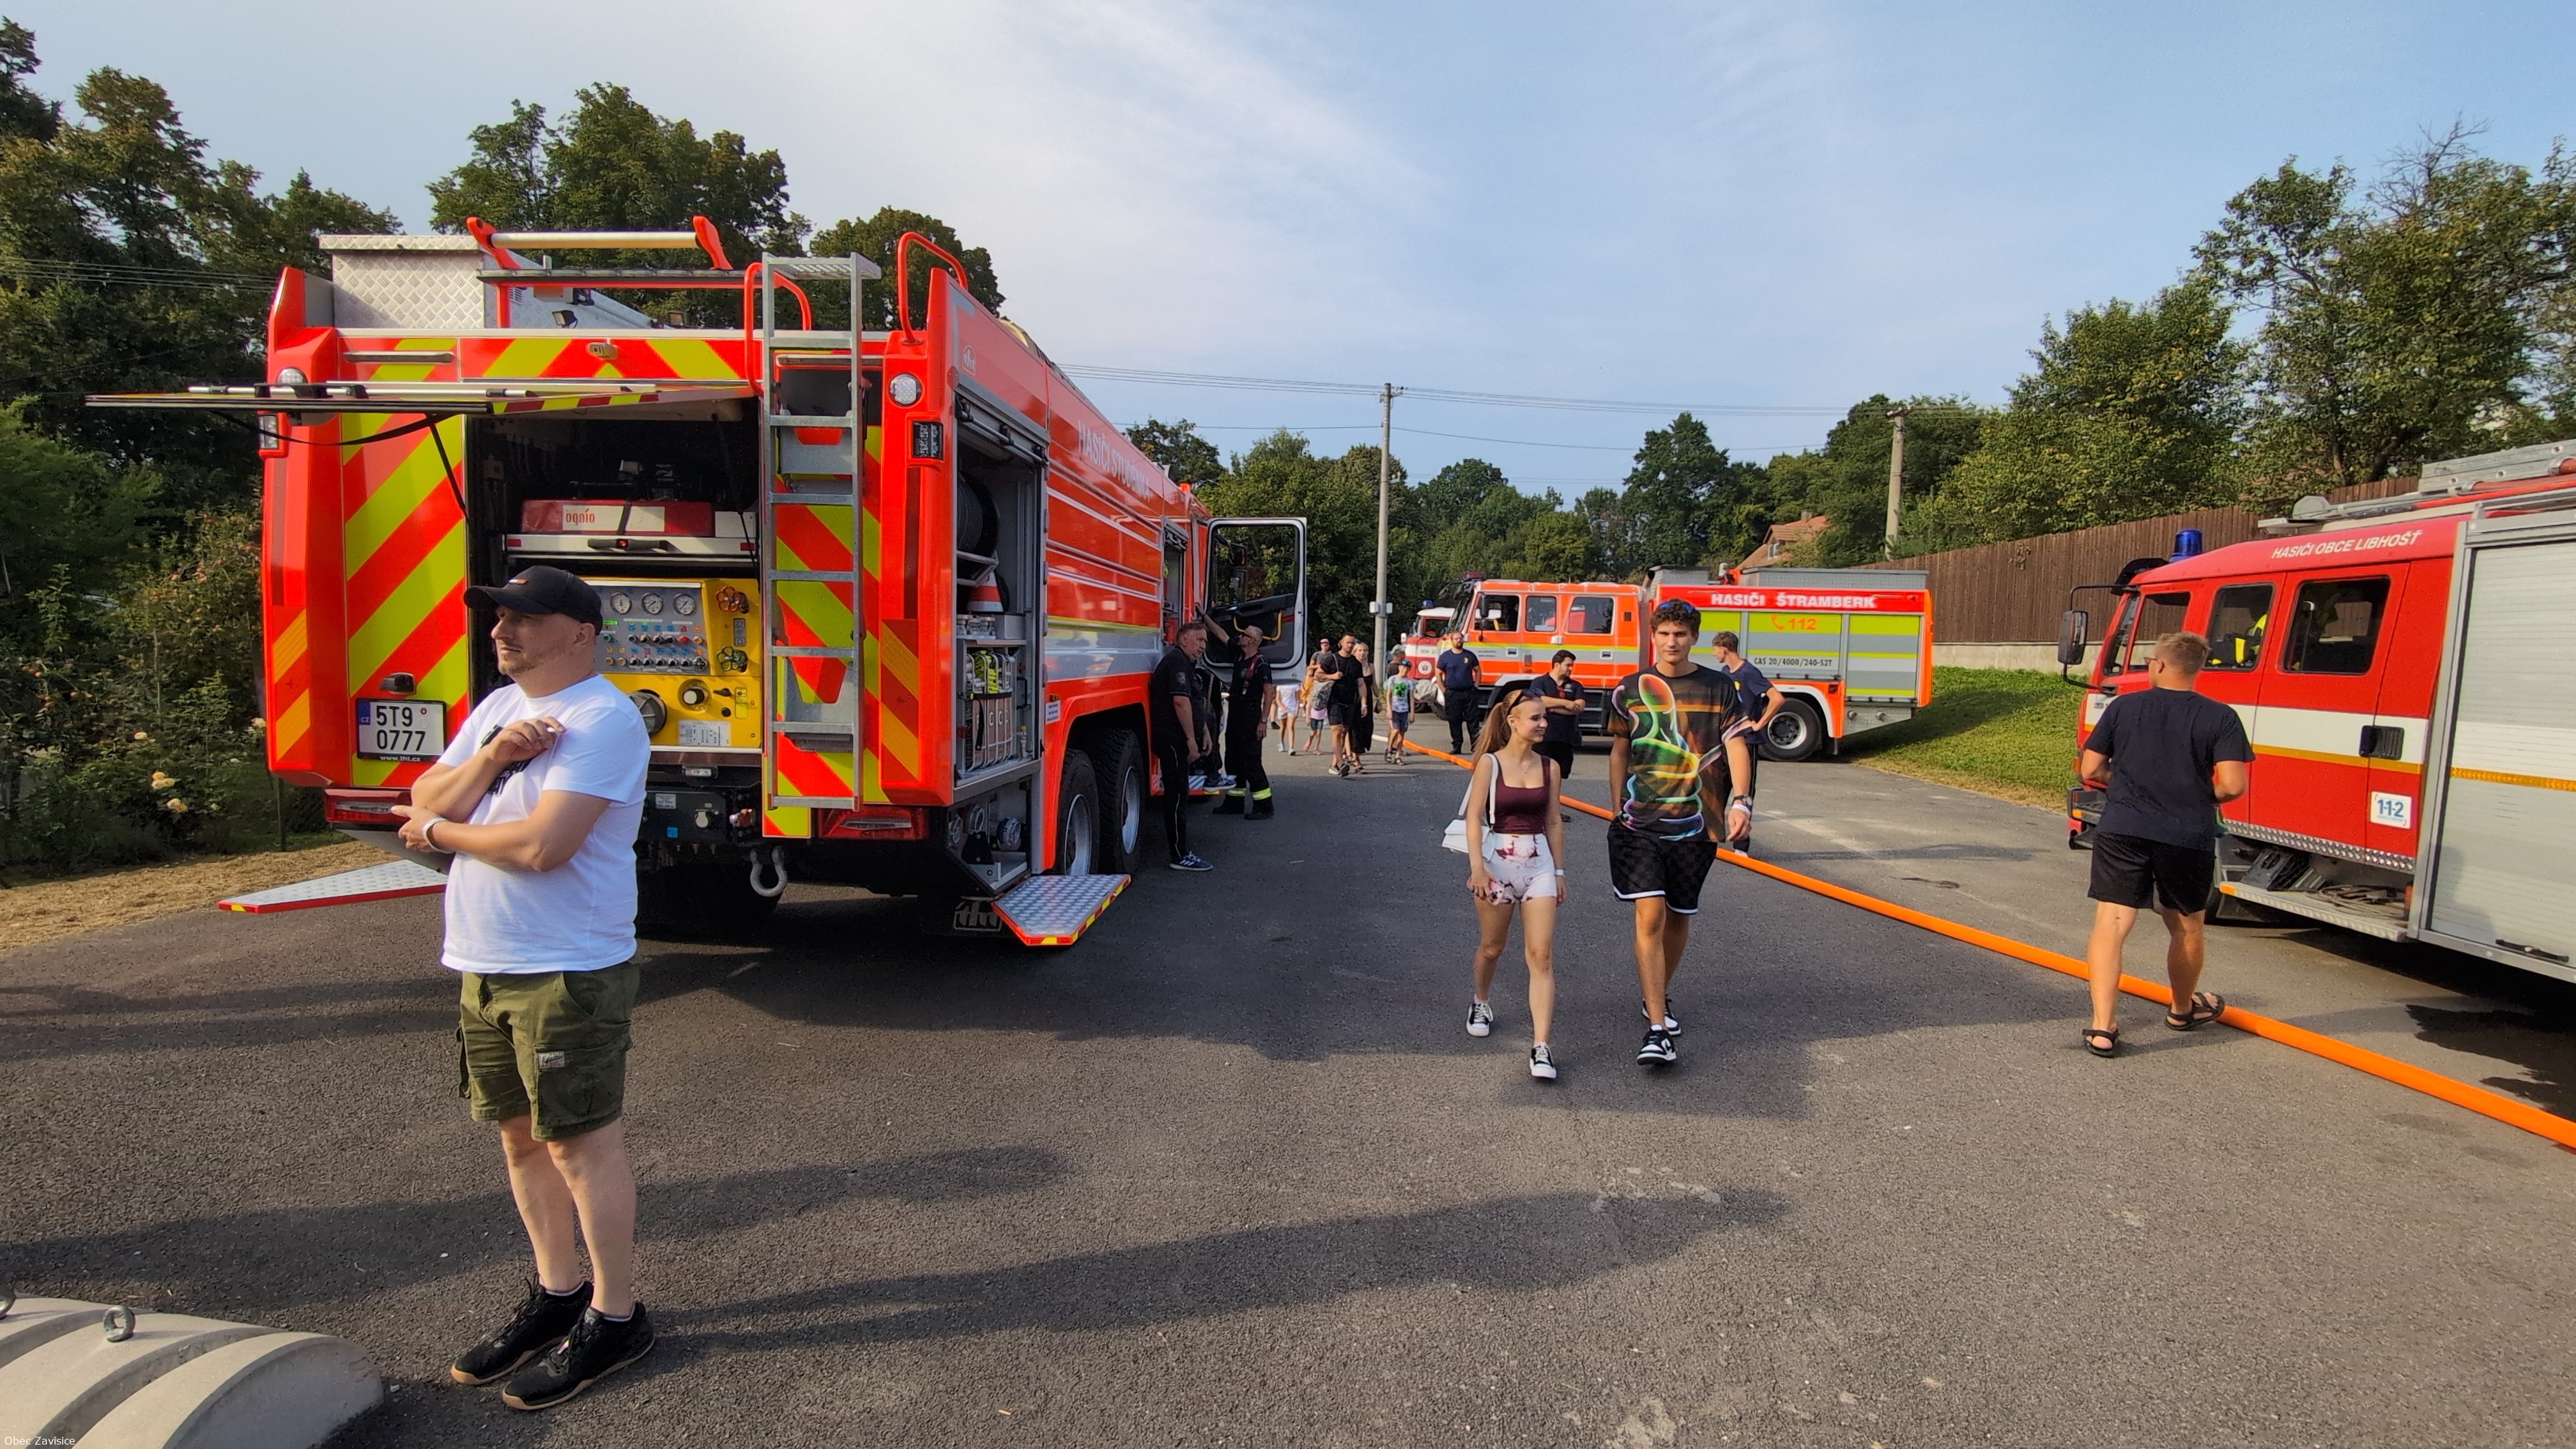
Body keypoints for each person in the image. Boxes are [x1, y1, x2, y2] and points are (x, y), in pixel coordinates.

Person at [390, 565, 655, 1411]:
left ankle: (616, 1317)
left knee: (580, 1145)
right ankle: (558, 1294)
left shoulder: (604, 719)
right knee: (518, 1139)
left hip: (566, 965)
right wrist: (493, 758)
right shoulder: (500, 709)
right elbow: (423, 792)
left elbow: (545, 847)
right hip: (484, 958)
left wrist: (438, 832)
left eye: (524, 619)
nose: (502, 631)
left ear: (579, 633)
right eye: (498, 617)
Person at [2075, 629, 2252, 1057]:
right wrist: (2196, 796)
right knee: (2186, 924)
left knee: (2112, 923)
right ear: (2197, 669)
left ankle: (2102, 1027)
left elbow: (2091, 768)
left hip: (2124, 828)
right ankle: (2181, 1010)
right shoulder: (2221, 716)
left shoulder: (2124, 707)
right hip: (2186, 834)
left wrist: (2126, 786)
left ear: (2157, 664)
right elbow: (2233, 786)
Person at [1603, 599, 1752, 1068]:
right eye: (1665, 633)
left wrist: (1742, 800)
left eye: (1681, 634)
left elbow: (1736, 744)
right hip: (1641, 822)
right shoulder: (1629, 689)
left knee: (1678, 914)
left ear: (1694, 638)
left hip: (1700, 821)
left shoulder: (1719, 687)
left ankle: (1657, 994)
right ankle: (1657, 1028)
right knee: (1649, 914)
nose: (1672, 642)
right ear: (1653, 636)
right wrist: (1616, 808)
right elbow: (1619, 751)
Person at [1460, 688, 1568, 1081]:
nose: (1543, 724)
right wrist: (1478, 869)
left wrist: (1559, 872)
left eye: (1544, 717)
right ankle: (1481, 1000)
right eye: (1535, 718)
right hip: (1497, 867)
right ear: (1513, 721)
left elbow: (1553, 820)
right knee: (1493, 948)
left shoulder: (1550, 767)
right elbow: (1474, 818)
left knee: (1541, 955)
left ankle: (1541, 1046)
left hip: (1539, 866)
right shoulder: (1490, 764)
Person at [1706, 631, 1781, 853]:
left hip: (1748, 741)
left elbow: (1777, 698)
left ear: (1724, 648)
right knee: (1717, 789)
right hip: (1726, 741)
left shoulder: (1749, 673)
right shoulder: (1725, 673)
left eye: (1715, 649)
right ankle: (1711, 839)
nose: (1714, 654)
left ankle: (1741, 848)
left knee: (1745, 793)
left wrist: (1759, 724)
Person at [1151, 620, 1216, 870]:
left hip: (1180, 740)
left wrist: (1204, 732)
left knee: (1181, 794)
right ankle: (1180, 855)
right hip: (1173, 740)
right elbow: (1180, 702)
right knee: (1177, 797)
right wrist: (1191, 740)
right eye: (1199, 640)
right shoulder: (1176, 662)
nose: (1203, 646)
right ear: (1184, 639)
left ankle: (1181, 852)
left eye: (1205, 641)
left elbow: (1196, 703)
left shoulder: (1185, 664)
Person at [1211, 620, 1278, 819]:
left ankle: (1264, 807)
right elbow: (1222, 635)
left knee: (1251, 761)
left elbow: (1270, 693)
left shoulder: (1261, 663)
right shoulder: (1239, 656)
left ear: (1253, 641)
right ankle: (1234, 802)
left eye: (1244, 635)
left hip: (1251, 716)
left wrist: (1263, 721)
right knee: (1232, 758)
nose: (1240, 636)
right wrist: (1205, 616)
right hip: (1236, 713)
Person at [1525, 648, 1588, 783]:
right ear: (1557, 664)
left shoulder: (1576, 686)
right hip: (1543, 739)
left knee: (1558, 778)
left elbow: (1579, 707)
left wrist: (1552, 708)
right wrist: (1567, 703)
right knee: (1539, 776)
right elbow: (1540, 701)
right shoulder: (1540, 682)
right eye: (1568, 665)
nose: (1571, 669)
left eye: (1572, 666)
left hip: (1565, 740)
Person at [1436, 632, 1483, 753]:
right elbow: (1438, 674)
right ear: (1451, 640)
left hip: (1469, 692)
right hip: (1453, 693)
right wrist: (1444, 690)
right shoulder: (1445, 657)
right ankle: (1457, 746)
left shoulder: (1469, 655)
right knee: (1454, 721)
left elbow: (1478, 671)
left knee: (1473, 720)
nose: (1459, 640)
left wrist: (1476, 686)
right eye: (1456, 639)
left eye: (1461, 638)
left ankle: (1475, 745)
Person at [1347, 641, 1377, 767]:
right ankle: (1355, 757)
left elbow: (1374, 684)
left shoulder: (1371, 666)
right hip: (1354, 699)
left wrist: (1380, 700)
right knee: (1355, 728)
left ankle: (1355, 751)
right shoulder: (1352, 665)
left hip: (1368, 699)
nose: (1362, 653)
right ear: (1354, 652)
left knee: (1367, 727)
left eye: (1365, 650)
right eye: (1359, 650)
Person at [1383, 664, 1415, 763]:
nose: (1405, 670)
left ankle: (1398, 755)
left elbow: (1411, 698)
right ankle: (1389, 749)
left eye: (1407, 669)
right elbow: (1388, 695)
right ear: (1400, 668)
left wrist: (1412, 713)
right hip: (1395, 709)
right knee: (1395, 730)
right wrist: (1389, 708)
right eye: (1403, 668)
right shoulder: (1393, 679)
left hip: (1404, 710)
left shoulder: (1409, 682)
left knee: (1402, 733)